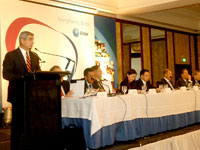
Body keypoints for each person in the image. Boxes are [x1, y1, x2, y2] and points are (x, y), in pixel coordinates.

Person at [3, 31, 41, 150]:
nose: (32, 42)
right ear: (22, 40)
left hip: (32, 96)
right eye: (30, 39)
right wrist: (21, 78)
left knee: (31, 125)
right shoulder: (11, 55)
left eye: (32, 39)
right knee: (18, 126)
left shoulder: (34, 56)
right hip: (18, 94)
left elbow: (38, 73)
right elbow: (6, 74)